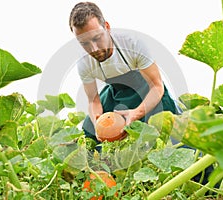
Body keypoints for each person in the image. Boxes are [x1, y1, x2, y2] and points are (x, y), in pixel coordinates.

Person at [69, 2, 179, 142]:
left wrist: (135, 114)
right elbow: (93, 100)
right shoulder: (84, 62)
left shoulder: (133, 44)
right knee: (89, 132)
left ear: (107, 27)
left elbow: (157, 86)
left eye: (97, 38)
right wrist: (98, 122)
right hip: (116, 93)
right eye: (84, 43)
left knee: (165, 129)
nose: (94, 48)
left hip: (147, 89)